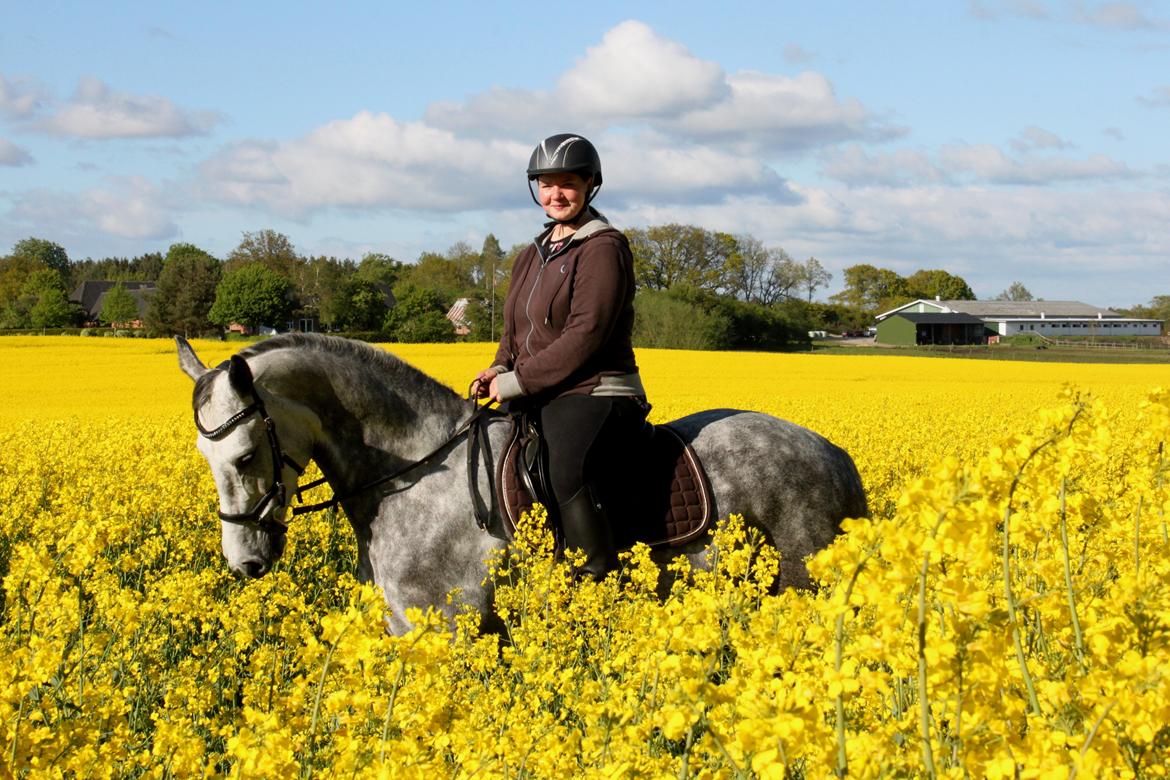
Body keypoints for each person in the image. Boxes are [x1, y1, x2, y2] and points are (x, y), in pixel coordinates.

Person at [472, 133, 648, 580]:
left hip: (596, 388)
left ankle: (598, 576)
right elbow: (515, 330)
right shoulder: (532, 253)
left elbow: (585, 336)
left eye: (567, 183)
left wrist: (514, 382)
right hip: (540, 388)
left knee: (562, 468)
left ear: (590, 184)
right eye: (546, 184)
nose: (556, 194)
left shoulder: (603, 247)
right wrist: (498, 367)